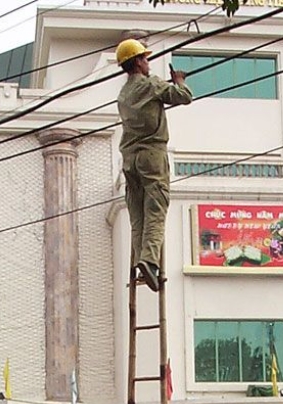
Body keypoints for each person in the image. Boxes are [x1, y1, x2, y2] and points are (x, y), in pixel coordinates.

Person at [115, 38, 193, 292]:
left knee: (137, 215)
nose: (148, 63)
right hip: (152, 154)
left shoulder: (123, 94)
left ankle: (141, 260)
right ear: (138, 61)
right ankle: (149, 261)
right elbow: (183, 96)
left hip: (129, 159)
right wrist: (179, 79)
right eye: (145, 58)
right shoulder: (150, 84)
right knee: (156, 210)